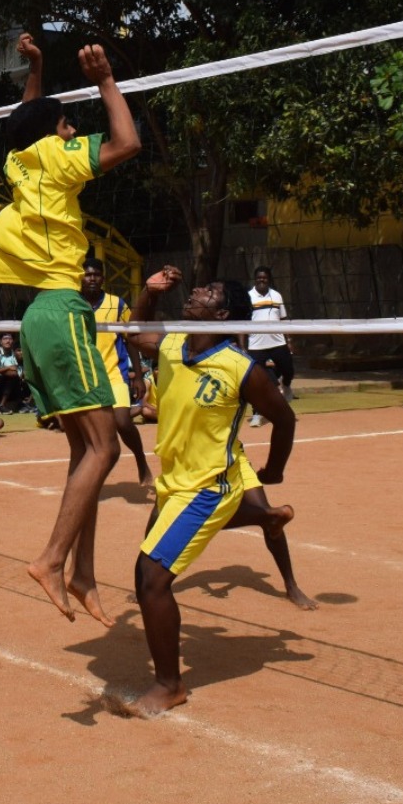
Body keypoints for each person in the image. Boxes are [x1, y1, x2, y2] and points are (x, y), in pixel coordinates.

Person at [0, 33, 141, 624]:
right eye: (69, 124)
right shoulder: (57, 155)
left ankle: (84, 573)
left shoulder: (19, 160)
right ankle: (51, 559)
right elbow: (128, 141)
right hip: (64, 311)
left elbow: (29, 118)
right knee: (105, 449)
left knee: (86, 452)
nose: (74, 129)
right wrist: (105, 80)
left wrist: (39, 68)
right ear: (59, 131)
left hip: (36, 318)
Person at [126, 269, 305, 714]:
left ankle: (170, 685)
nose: (196, 292)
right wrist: (148, 292)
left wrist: (275, 470)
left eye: (208, 292)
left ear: (222, 313)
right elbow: (133, 332)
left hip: (208, 486)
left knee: (151, 579)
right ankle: (266, 516)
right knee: (146, 578)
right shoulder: (172, 347)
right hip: (174, 481)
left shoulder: (240, 368)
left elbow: (285, 419)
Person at [80, 257, 151, 485]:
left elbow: (131, 339)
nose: (92, 278)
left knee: (122, 422)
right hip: (85, 376)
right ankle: (92, 477)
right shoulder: (73, 303)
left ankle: (141, 460)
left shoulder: (116, 304)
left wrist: (138, 376)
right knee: (92, 433)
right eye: (88, 274)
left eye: (96, 275)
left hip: (114, 373)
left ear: (103, 278)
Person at [247, 266, 296, 426]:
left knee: (288, 369)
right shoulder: (248, 297)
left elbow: (283, 318)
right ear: (255, 280)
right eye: (259, 278)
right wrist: (242, 345)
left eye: (265, 278)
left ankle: (286, 385)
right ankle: (257, 414)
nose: (262, 280)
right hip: (256, 345)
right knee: (257, 381)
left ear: (269, 279)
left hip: (278, 342)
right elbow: (242, 323)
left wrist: (289, 341)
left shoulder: (276, 295)